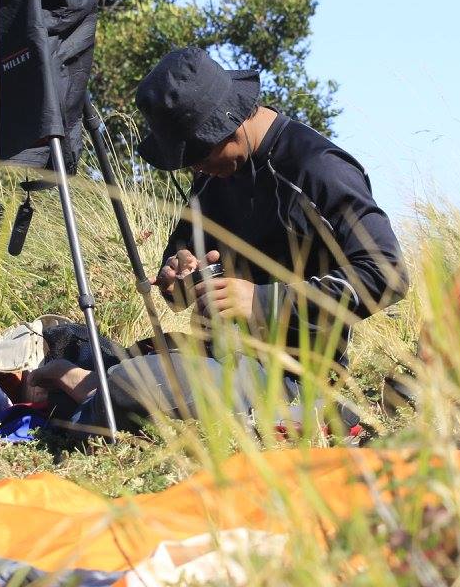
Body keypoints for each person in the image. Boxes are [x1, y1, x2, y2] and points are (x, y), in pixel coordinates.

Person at [61, 47, 406, 432]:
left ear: (229, 120)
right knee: (63, 343)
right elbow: (179, 273)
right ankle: (86, 390)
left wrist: (259, 301)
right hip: (217, 355)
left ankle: (87, 396)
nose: (195, 166)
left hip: (294, 375)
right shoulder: (215, 172)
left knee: (132, 384)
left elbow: (386, 273)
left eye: (198, 151)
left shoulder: (317, 167)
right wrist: (180, 276)